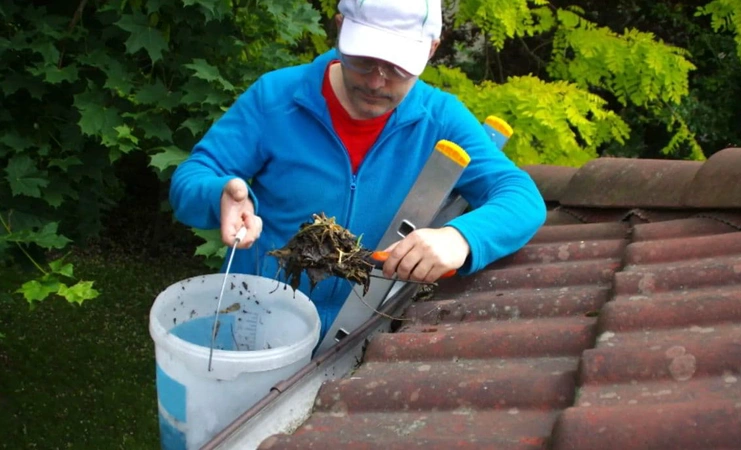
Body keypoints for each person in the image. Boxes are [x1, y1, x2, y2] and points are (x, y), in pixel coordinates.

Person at [169, 0, 547, 336]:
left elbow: (521, 196)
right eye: (364, 59)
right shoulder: (276, 98)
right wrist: (218, 195)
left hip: (360, 331)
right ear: (340, 29)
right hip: (256, 316)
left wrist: (460, 238)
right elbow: (192, 176)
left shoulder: (440, 120)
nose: (376, 81)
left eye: (397, 67)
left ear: (432, 49)